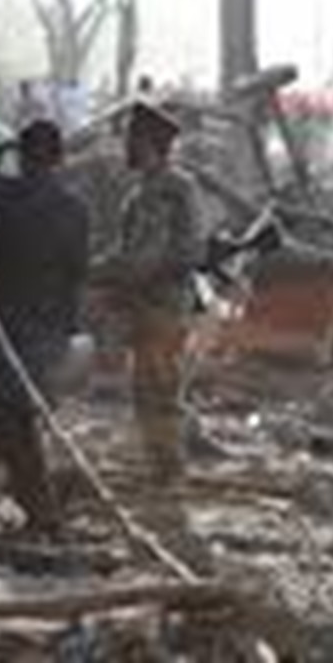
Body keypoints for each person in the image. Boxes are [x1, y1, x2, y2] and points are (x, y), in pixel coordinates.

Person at [0, 120, 89, 534]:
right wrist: (68, 328)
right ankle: (18, 501)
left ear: (25, 157)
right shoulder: (74, 207)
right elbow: (77, 273)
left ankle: (40, 510)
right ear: (59, 159)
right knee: (15, 413)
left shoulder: (12, 193)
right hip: (46, 326)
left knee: (11, 416)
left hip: (10, 323)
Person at [92, 101, 201, 482]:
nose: (126, 147)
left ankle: (169, 470)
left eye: (131, 139)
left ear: (149, 143)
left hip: (162, 304)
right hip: (147, 303)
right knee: (146, 388)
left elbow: (150, 257)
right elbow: (129, 251)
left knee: (160, 388)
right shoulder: (143, 191)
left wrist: (101, 273)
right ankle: (161, 466)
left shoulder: (171, 189)